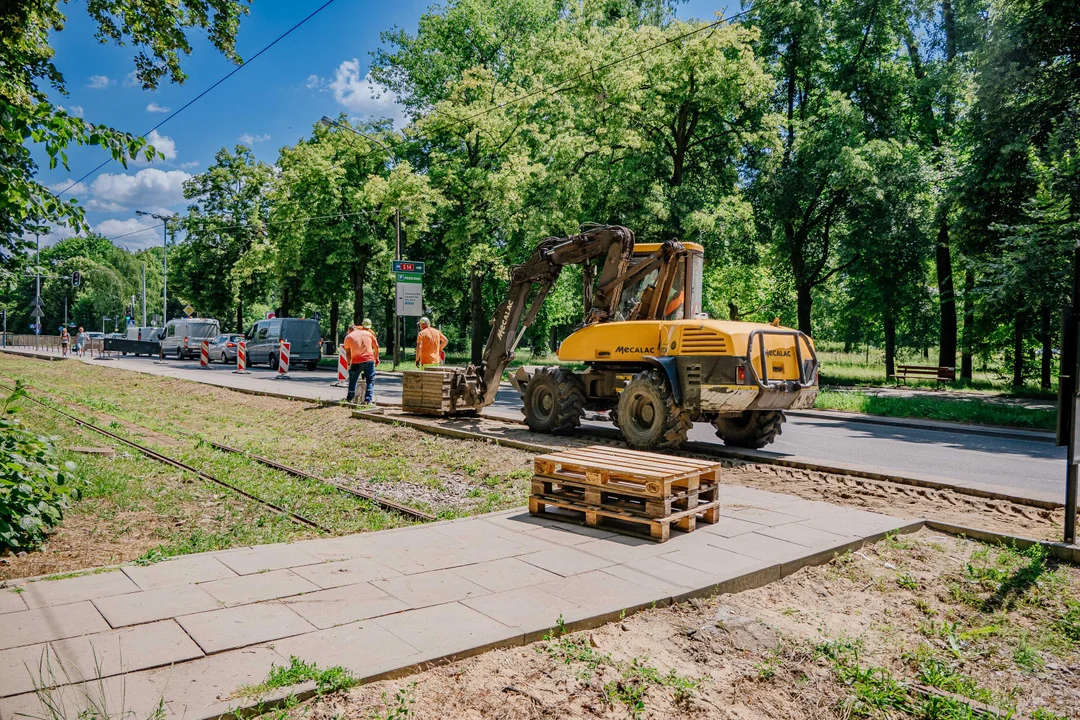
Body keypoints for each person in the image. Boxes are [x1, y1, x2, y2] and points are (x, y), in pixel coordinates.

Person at [342, 324, 376, 404]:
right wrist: (376, 358)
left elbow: (347, 353)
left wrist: (349, 364)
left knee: (353, 380)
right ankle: (368, 400)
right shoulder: (368, 333)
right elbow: (376, 346)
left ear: (349, 330)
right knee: (370, 380)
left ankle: (349, 398)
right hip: (369, 360)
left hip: (356, 361)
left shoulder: (348, 337)